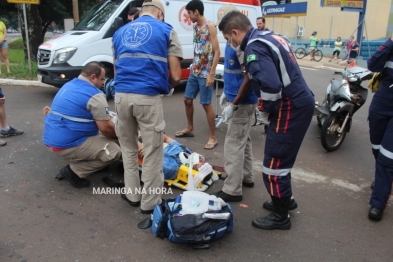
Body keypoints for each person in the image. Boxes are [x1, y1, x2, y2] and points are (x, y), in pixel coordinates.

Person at [218, 11, 315, 230]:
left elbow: (270, 87)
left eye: (227, 39)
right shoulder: (268, 36)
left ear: (235, 32)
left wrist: (265, 113)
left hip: (290, 106)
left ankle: (281, 216)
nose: (229, 44)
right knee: (282, 159)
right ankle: (284, 199)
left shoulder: (253, 47)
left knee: (274, 162)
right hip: (298, 102)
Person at [112, 0, 183, 215]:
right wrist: (167, 88)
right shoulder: (166, 30)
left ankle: (132, 195)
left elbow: (117, 70)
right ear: (160, 14)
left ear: (142, 12)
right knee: (152, 151)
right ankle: (150, 203)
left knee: (128, 148)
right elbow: (177, 75)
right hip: (147, 96)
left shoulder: (120, 32)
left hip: (120, 96)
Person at [42, 62, 121, 188]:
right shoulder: (95, 95)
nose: (102, 83)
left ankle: (92, 159)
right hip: (66, 144)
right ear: (93, 77)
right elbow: (106, 129)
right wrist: (122, 137)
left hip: (51, 138)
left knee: (103, 133)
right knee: (114, 151)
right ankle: (73, 172)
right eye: (101, 79)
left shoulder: (69, 85)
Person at [212, 5, 258, 202]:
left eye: (226, 35)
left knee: (233, 145)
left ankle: (232, 189)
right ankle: (246, 177)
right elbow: (236, 74)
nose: (225, 40)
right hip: (237, 99)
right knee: (243, 141)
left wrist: (234, 103)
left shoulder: (240, 45)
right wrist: (226, 93)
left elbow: (248, 78)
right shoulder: (233, 42)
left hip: (241, 103)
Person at [175, 0, 220, 150]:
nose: (188, 17)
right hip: (195, 69)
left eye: (189, 13)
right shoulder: (195, 27)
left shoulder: (210, 26)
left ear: (196, 11)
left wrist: (211, 74)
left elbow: (217, 51)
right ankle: (190, 128)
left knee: (206, 104)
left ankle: (213, 137)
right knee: (187, 99)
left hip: (206, 71)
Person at [367, 37, 393, 221]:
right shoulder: (389, 46)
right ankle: (382, 179)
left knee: (387, 154)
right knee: (376, 146)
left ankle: (378, 201)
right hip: (383, 99)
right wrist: (390, 42)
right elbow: (372, 65)